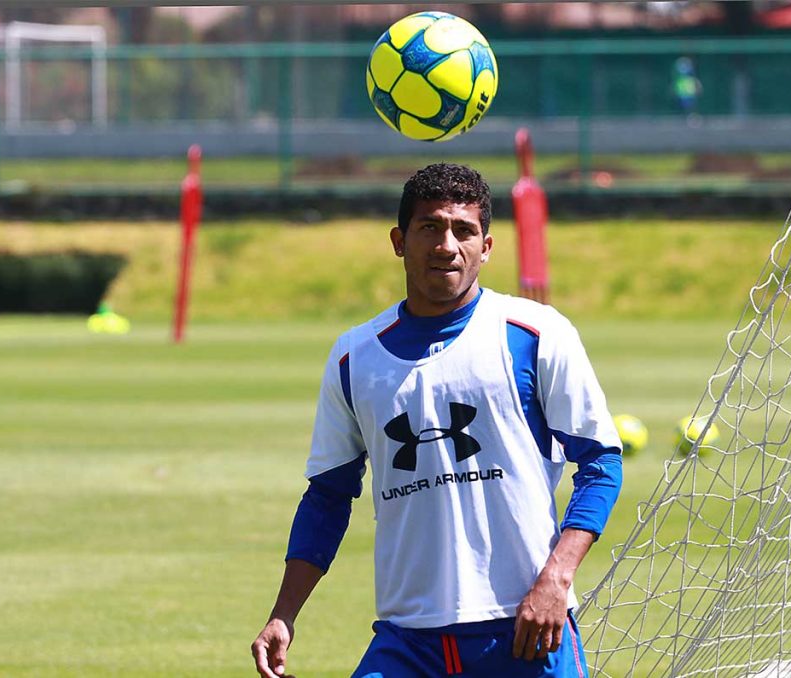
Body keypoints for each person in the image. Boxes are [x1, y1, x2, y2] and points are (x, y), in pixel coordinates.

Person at [251, 163, 623, 677]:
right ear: (399, 241)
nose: (446, 245)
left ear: (487, 247)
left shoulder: (535, 333)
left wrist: (556, 580)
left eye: (463, 230)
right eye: (430, 227)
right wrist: (283, 614)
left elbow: (602, 463)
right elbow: (328, 496)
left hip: (526, 630)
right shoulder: (354, 357)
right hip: (409, 642)